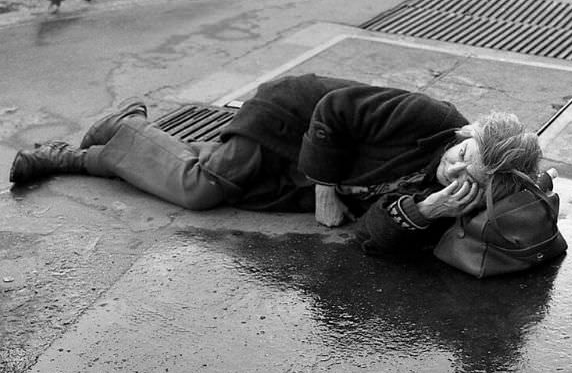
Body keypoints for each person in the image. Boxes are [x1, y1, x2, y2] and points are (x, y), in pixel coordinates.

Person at [9, 74, 543, 258]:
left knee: (206, 175)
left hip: (296, 170)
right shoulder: (435, 118)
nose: (455, 174)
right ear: (467, 134)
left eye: (469, 181)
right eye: (460, 158)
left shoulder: (455, 196)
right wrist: (326, 186)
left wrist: (426, 210)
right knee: (202, 185)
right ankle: (120, 130)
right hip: (292, 119)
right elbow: (335, 110)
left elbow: (374, 239)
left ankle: (98, 147)